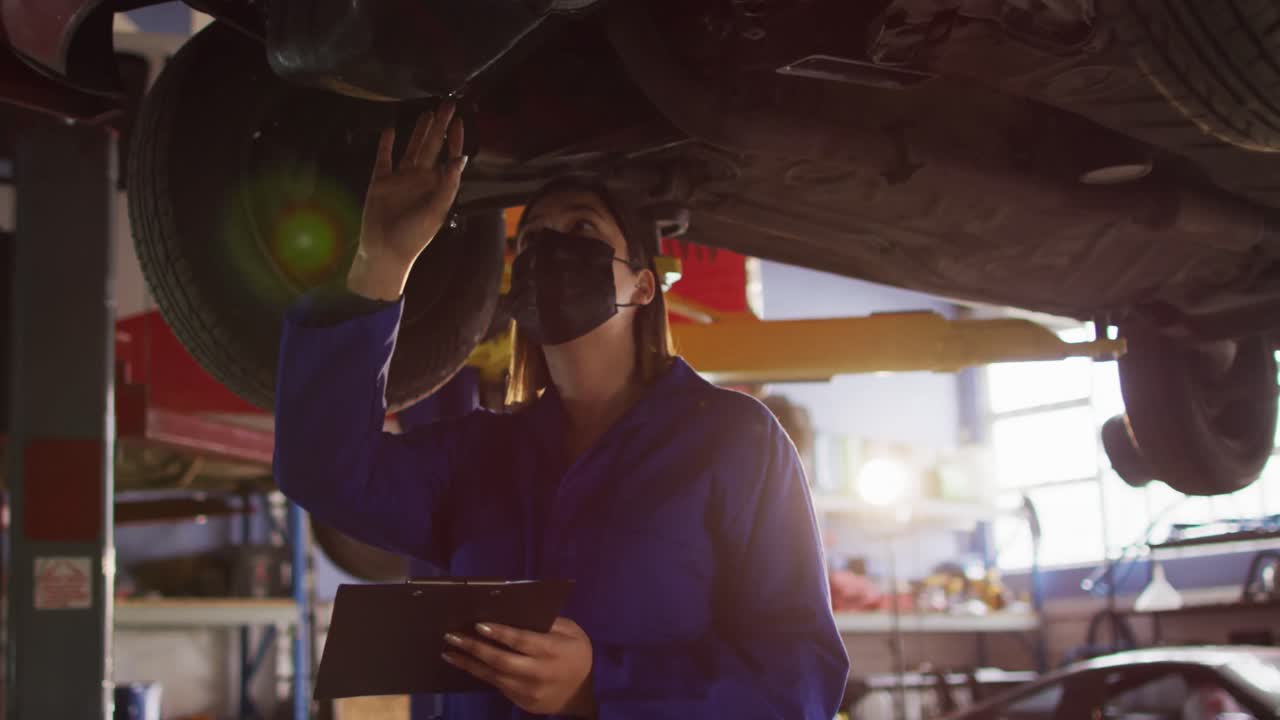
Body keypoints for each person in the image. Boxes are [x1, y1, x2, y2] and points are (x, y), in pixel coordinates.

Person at [273, 101, 849, 719]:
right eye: (533, 239)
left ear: (643, 285)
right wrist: (380, 262)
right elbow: (321, 471)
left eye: (582, 231)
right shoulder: (477, 455)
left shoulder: (735, 442)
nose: (550, 247)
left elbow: (800, 678)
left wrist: (604, 688)